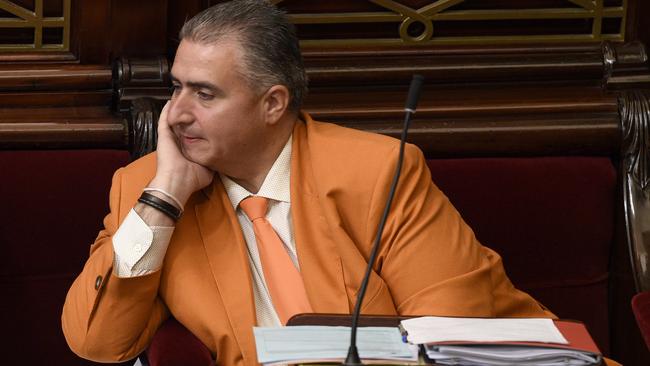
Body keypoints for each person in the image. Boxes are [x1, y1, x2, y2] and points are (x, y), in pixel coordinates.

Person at [62, 1, 553, 365]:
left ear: (273, 103)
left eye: (204, 94)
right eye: (177, 87)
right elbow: (98, 343)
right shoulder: (147, 190)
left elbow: (451, 331)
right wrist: (166, 196)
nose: (177, 113)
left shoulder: (378, 170)